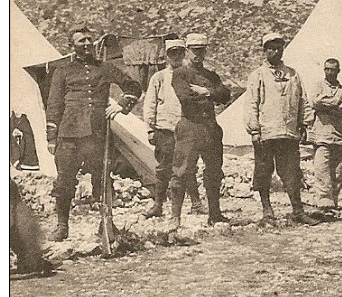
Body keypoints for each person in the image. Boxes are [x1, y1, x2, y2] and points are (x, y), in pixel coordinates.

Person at [45, 30, 141, 241]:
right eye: (82, 41)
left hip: (98, 134)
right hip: (69, 135)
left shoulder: (104, 68)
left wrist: (122, 105)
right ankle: (62, 226)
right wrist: (51, 138)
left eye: (89, 40)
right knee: (64, 182)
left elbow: (134, 86)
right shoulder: (62, 71)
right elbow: (53, 105)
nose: (87, 44)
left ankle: (106, 224)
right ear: (73, 45)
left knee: (103, 180)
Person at [244, 32, 318, 226]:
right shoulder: (257, 75)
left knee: (292, 172)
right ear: (265, 50)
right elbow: (251, 104)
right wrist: (254, 130)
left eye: (279, 48)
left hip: (288, 133)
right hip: (266, 133)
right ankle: (267, 211)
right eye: (271, 48)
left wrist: (304, 124)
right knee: (263, 172)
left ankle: (297, 210)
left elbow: (303, 100)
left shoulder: (293, 74)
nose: (275, 52)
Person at [168, 33, 232, 230]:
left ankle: (215, 213)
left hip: (210, 128)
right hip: (190, 126)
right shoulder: (180, 74)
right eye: (194, 50)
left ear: (205, 51)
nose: (197, 54)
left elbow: (225, 94)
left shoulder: (211, 76)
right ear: (187, 51)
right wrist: (212, 96)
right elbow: (185, 97)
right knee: (181, 171)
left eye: (201, 50)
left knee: (214, 170)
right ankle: (175, 217)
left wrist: (206, 92)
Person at [142, 37, 203, 218]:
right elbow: (150, 104)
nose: (176, 56)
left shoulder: (190, 75)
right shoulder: (159, 77)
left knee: (188, 166)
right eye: (172, 53)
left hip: (186, 129)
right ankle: (158, 205)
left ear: (185, 53)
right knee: (163, 168)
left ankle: (196, 203)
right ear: (166, 55)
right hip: (165, 129)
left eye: (180, 52)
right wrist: (150, 129)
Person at [309, 58, 342, 209]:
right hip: (322, 135)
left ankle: (333, 201)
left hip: (340, 136)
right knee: (322, 170)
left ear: (338, 71)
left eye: (333, 69)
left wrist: (328, 105)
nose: (330, 72)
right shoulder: (318, 86)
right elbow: (315, 102)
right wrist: (336, 103)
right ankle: (324, 202)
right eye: (327, 69)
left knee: (338, 172)